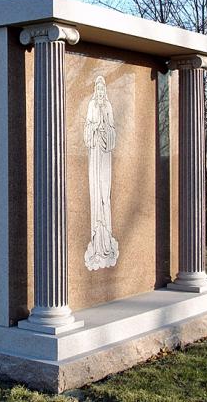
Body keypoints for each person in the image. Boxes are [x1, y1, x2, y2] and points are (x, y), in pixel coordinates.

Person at [83, 76, 119, 270]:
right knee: (96, 194)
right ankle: (97, 243)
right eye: (97, 89)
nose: (100, 92)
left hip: (105, 155)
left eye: (102, 89)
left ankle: (107, 241)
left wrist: (106, 132)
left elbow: (112, 132)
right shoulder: (92, 106)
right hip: (94, 155)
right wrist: (94, 129)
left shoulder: (108, 107)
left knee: (105, 194)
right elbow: (87, 131)